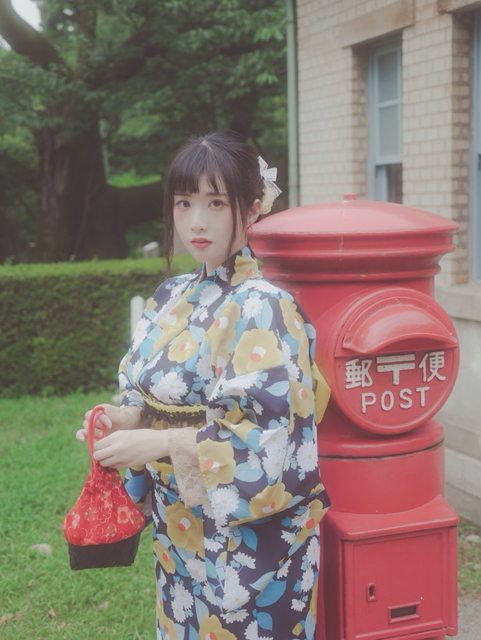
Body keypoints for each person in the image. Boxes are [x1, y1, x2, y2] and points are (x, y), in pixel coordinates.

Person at [77, 131, 330, 640]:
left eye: (216, 202)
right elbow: (150, 391)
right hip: (180, 529)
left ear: (252, 209)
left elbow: (270, 438)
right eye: (184, 202)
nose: (196, 220)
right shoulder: (171, 294)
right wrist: (126, 418)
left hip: (252, 546)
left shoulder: (265, 305)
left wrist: (157, 443)